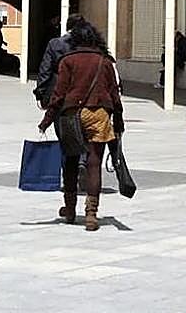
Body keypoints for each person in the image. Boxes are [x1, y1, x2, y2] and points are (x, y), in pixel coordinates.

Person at [38, 19, 124, 232]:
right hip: (98, 114)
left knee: (70, 161)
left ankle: (69, 209)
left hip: (71, 115)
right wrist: (119, 119)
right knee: (94, 164)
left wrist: (47, 120)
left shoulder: (68, 60)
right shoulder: (104, 61)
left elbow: (59, 94)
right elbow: (114, 93)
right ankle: (91, 214)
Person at [32, 16, 69, 105]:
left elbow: (45, 69)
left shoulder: (55, 42)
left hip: (59, 88)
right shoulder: (90, 45)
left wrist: (41, 91)